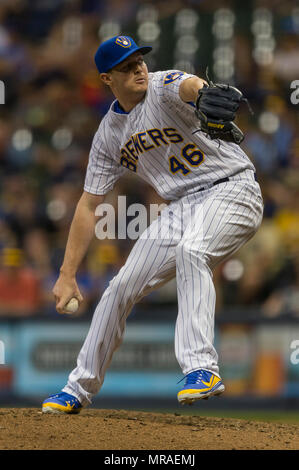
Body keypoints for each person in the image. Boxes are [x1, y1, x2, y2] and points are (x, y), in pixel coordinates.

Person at [42, 35, 263, 414]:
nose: (139, 68)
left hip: (233, 189)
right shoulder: (109, 135)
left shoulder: (161, 86)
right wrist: (67, 274)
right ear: (106, 79)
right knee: (120, 287)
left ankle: (202, 369)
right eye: (127, 66)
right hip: (182, 206)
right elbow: (88, 204)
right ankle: (77, 389)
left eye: (140, 60)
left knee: (191, 250)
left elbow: (190, 86)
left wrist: (204, 90)